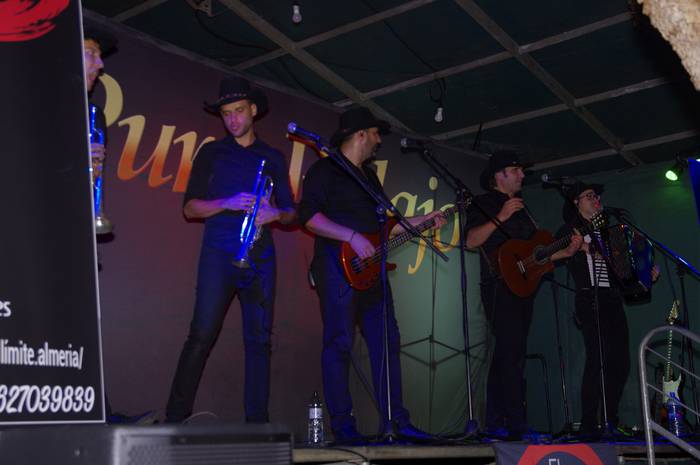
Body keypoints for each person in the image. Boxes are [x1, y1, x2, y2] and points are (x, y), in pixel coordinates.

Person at [298, 107, 446, 442]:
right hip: (337, 269)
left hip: (373, 274)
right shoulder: (325, 169)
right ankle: (343, 427)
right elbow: (308, 217)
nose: (379, 141)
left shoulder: (369, 177)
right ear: (361, 134)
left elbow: (388, 227)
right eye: (376, 133)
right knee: (339, 344)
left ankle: (396, 422)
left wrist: (424, 221)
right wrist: (350, 236)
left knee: (387, 342)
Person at [165, 77, 296, 423]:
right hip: (219, 255)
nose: (233, 119)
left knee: (259, 342)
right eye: (226, 113)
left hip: (260, 257)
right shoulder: (211, 153)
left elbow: (291, 212)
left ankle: (257, 424)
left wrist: (274, 214)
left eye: (238, 111)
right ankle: (175, 419)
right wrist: (227, 202)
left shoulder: (273, 157)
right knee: (200, 335)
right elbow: (190, 208)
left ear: (253, 110)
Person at [464, 151, 578, 440]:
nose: (522, 175)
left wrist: (564, 252)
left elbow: (535, 255)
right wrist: (501, 216)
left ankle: (495, 422)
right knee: (511, 352)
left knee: (508, 353)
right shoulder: (483, 203)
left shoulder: (525, 210)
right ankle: (516, 424)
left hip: (524, 287)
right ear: (499, 175)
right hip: (498, 285)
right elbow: (471, 240)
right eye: (516, 170)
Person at [551, 181, 657, 438]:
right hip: (589, 298)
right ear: (576, 202)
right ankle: (590, 423)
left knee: (620, 362)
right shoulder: (569, 230)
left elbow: (624, 270)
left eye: (596, 195)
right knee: (597, 359)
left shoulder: (609, 230)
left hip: (612, 299)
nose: (595, 199)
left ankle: (610, 419)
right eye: (588, 195)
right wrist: (579, 248)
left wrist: (644, 274)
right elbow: (551, 253)